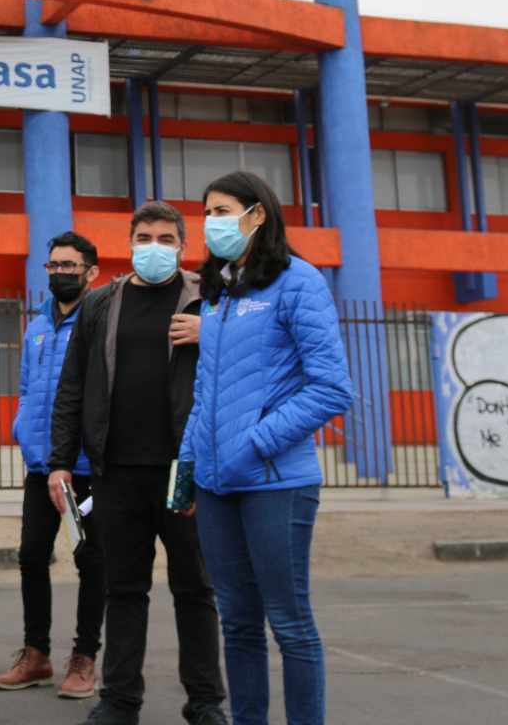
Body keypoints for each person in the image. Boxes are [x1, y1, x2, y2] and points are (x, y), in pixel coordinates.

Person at [179, 172, 354, 725]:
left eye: (223, 209)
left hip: (276, 482)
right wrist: (187, 468)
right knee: (237, 621)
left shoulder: (299, 282)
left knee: (289, 621)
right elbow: (205, 393)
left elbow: (332, 387)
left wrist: (254, 443)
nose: (211, 222)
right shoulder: (220, 293)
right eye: (206, 212)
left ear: (258, 215)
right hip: (214, 485)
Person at [48, 201, 229, 725]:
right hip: (117, 472)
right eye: (145, 237)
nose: (155, 246)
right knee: (124, 589)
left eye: (166, 238)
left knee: (195, 589)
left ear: (183, 246)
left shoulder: (208, 299)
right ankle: (120, 700)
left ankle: (205, 702)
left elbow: (250, 357)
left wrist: (211, 333)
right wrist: (61, 462)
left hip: (185, 471)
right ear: (129, 244)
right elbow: (72, 386)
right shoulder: (102, 303)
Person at [0, 230, 106, 698]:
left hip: (85, 467)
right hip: (41, 466)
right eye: (53, 266)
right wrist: (22, 427)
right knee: (31, 557)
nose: (60, 273)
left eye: (70, 266)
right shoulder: (37, 326)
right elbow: (27, 388)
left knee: (91, 562)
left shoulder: (99, 320)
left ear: (91, 272)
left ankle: (85, 658)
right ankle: (36, 654)